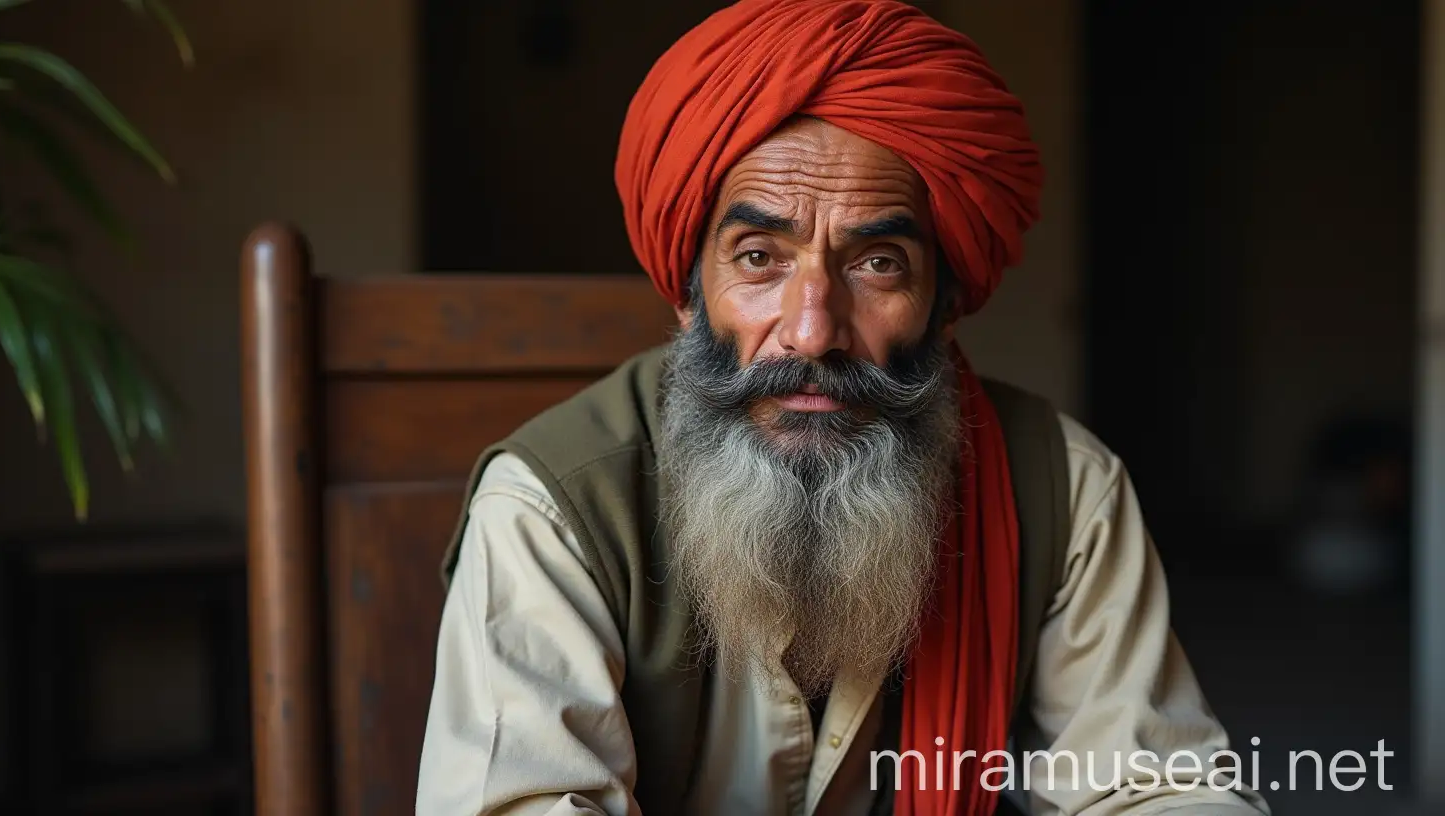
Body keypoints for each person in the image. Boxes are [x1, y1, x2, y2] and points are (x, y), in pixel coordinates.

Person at [416, 1, 1271, 814]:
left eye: (878, 265)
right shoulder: (551, 511)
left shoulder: (1062, 489)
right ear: (688, 292)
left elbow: (1153, 783)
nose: (814, 330)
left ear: (945, 300)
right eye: (759, 257)